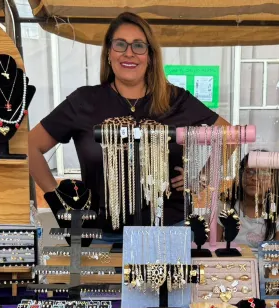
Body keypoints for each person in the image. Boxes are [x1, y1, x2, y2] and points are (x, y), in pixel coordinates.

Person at [28, 12, 229, 239]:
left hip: (169, 230)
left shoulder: (176, 99)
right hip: (101, 234)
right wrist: (59, 201)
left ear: (150, 56)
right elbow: (30, 146)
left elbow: (229, 135)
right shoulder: (84, 101)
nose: (129, 53)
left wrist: (202, 177)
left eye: (139, 46)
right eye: (120, 44)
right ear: (108, 53)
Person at [227, 152, 279, 247]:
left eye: (263, 173)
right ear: (240, 175)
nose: (254, 178)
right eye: (249, 172)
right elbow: (211, 249)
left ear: (273, 181)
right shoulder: (225, 207)